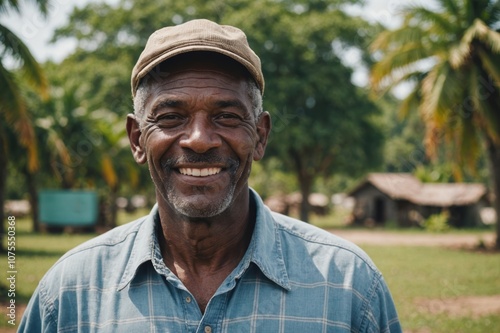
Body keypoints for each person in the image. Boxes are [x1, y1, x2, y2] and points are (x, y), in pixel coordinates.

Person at [19, 19, 401, 332]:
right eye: (170, 117)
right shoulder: (69, 293)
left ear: (260, 136)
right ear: (137, 140)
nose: (199, 140)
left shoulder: (349, 286)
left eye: (227, 117)